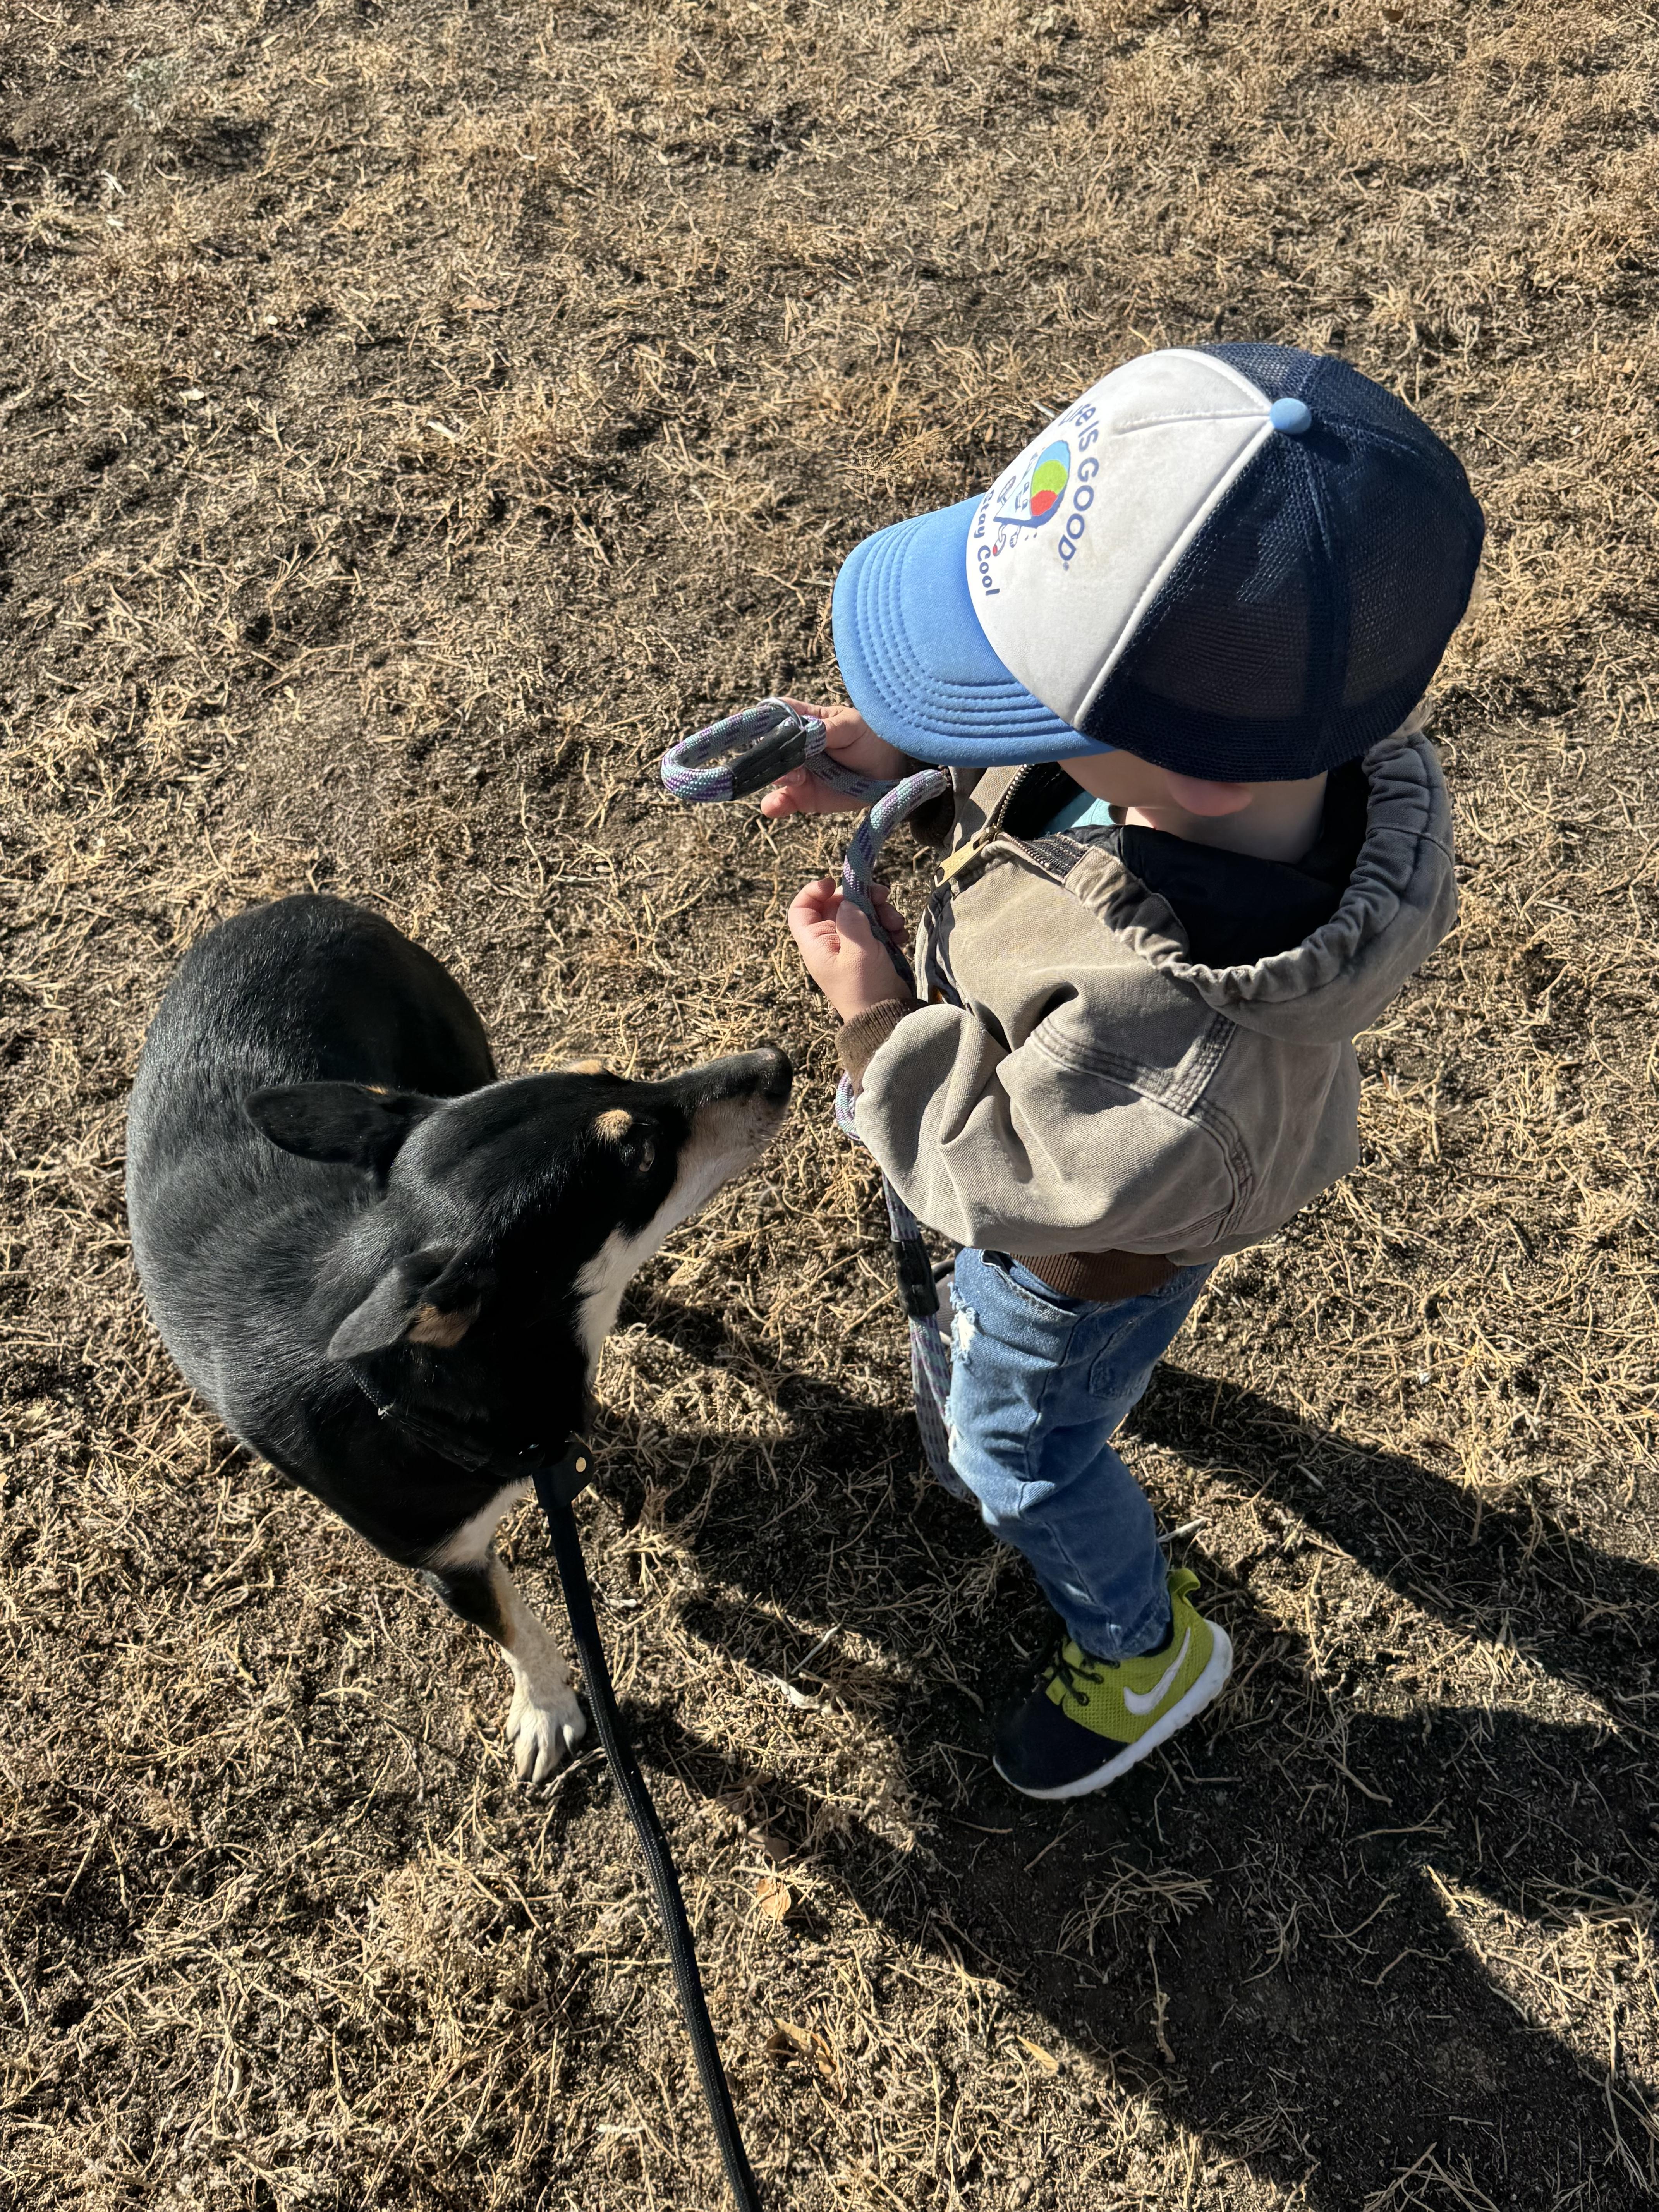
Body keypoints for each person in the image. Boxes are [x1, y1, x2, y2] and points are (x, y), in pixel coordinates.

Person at [765, 343, 1482, 1799]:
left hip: (1080, 1253)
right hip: (1093, 1169)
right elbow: (1080, 763)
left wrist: (879, 1016)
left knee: (1015, 1448)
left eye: (1015, 690)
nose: (993, 716)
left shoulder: (1169, 1054)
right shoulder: (1284, 738)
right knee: (1014, 1378)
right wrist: (914, 741)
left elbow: (989, 1172)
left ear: (1173, 767)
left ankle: (1144, 1651)